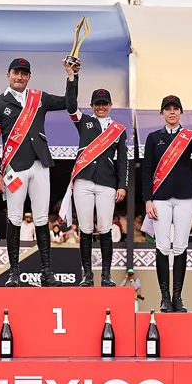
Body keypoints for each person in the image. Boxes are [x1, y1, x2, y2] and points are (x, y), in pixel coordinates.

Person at [0, 56, 78, 286]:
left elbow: (70, 104)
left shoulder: (39, 98)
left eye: (24, 73)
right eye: (16, 73)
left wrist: (71, 76)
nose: (19, 77)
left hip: (40, 164)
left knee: (41, 218)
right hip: (14, 167)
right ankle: (14, 273)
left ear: (29, 77)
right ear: (8, 75)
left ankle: (47, 273)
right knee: (14, 218)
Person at [142, 95, 192, 312]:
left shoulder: (189, 136)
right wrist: (147, 199)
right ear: (162, 113)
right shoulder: (153, 137)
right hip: (160, 197)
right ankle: (165, 298)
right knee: (162, 246)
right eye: (167, 109)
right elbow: (147, 170)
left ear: (181, 112)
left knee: (180, 246)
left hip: (185, 196)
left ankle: (177, 297)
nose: (171, 112)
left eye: (175, 108)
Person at [62, 87, 128, 286]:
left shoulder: (118, 129)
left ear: (110, 105)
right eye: (97, 104)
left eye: (104, 104)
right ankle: (88, 275)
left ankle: (106, 275)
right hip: (83, 180)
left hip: (107, 182)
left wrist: (122, 185)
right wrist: (72, 79)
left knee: (105, 228)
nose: (101, 107)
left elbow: (122, 160)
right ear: (91, 106)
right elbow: (71, 105)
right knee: (86, 228)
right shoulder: (84, 122)